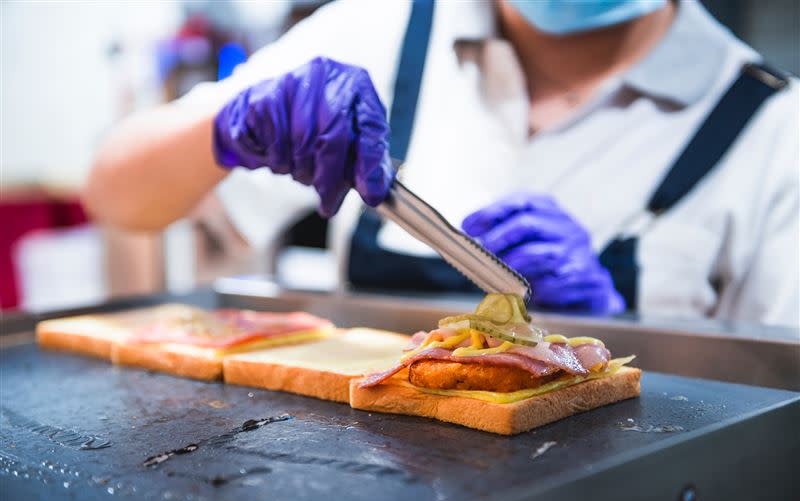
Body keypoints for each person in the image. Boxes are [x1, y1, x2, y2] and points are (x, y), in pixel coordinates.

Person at [84, 0, 799, 328]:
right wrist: (230, 127)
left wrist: (623, 339)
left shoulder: (772, 125)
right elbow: (117, 195)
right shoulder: (383, 26)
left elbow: (774, 430)